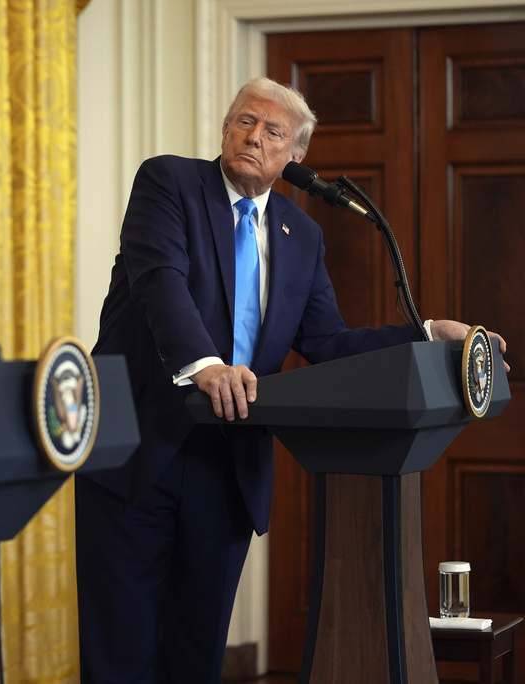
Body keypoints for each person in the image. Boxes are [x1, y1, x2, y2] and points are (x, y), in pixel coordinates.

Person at [75, 76, 508, 683]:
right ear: (226, 128)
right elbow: (160, 281)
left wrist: (426, 332)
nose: (253, 136)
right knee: (121, 653)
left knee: (194, 656)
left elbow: (328, 343)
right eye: (244, 121)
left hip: (227, 465)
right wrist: (205, 366)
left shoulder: (301, 234)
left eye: (272, 131)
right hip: (139, 449)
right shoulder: (169, 182)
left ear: (295, 156)